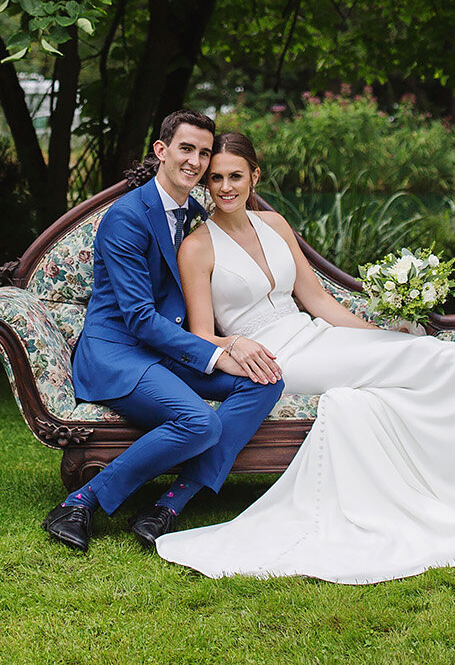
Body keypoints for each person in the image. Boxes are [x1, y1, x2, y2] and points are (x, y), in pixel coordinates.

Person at [151, 130, 455, 583]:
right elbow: (199, 336)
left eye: (235, 176)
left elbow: (318, 301)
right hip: (279, 361)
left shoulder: (273, 224)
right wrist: (235, 345)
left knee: (416, 350)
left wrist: (378, 336)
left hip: (314, 335)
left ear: (256, 176)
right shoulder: (197, 247)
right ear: (205, 183)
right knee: (429, 357)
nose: (225, 187)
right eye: (216, 178)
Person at [41, 111, 287, 553]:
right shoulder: (127, 217)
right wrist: (214, 353)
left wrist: (227, 344)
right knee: (197, 422)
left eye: (204, 152)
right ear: (162, 151)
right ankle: (79, 503)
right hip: (118, 353)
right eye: (186, 149)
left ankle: (167, 504)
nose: (195, 161)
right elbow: (137, 317)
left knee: (265, 379)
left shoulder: (193, 212)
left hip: (164, 352)